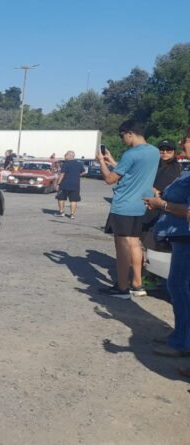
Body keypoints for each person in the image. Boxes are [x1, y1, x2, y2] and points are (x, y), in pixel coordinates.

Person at [97, 120, 160, 299]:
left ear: (129, 133)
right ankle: (137, 284)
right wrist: (113, 161)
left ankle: (122, 287)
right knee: (134, 243)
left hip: (123, 204)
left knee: (122, 246)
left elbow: (109, 179)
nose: (123, 139)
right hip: (139, 204)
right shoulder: (154, 151)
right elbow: (132, 172)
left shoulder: (131, 154)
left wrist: (102, 162)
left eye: (122, 135)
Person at [143, 159, 190, 360]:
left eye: (186, 139)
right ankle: (180, 335)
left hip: (186, 237)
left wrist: (161, 204)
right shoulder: (187, 169)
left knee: (180, 287)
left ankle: (182, 342)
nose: (182, 143)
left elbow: (187, 210)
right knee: (177, 287)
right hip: (179, 236)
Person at [142, 139, 183, 236]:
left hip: (164, 209)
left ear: (174, 151)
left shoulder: (177, 168)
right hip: (147, 207)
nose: (165, 152)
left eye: (168, 150)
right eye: (161, 150)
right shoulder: (152, 165)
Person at [55, 150, 85, 218]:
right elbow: (84, 172)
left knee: (61, 198)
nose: (64, 156)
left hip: (64, 185)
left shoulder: (65, 164)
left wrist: (58, 184)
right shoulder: (79, 163)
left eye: (66, 155)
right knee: (73, 200)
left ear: (70, 156)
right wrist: (77, 175)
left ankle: (61, 212)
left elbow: (62, 174)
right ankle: (72, 215)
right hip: (75, 185)